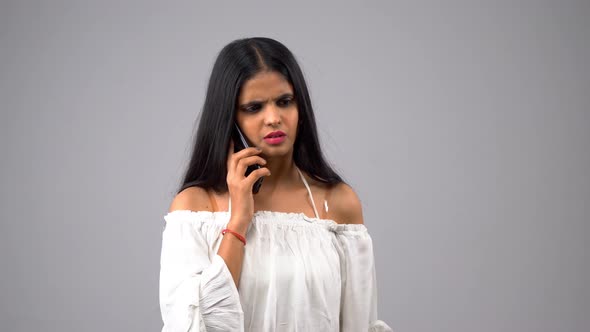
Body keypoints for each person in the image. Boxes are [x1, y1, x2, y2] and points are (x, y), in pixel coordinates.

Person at [159, 37, 393, 332]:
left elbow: (358, 324)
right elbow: (195, 327)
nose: (273, 118)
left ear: (300, 107)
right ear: (229, 120)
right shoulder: (196, 208)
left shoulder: (337, 203)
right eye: (253, 107)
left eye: (284, 102)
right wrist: (239, 222)